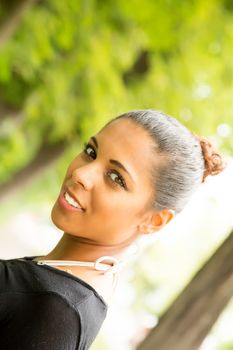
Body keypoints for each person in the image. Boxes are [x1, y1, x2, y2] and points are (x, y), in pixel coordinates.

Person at [0, 109, 225, 349]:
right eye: (91, 152)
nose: (80, 174)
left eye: (116, 178)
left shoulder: (57, 311)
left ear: (155, 220)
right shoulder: (53, 287)